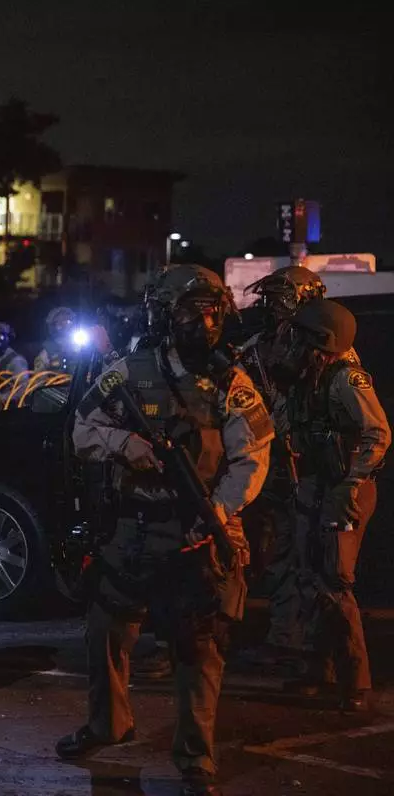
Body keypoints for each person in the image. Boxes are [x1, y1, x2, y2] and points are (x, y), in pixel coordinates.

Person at [56, 265, 273, 796]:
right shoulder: (130, 372)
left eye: (212, 311)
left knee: (199, 648)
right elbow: (83, 429)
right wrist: (126, 445)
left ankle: (196, 757)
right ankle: (108, 724)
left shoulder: (231, 381)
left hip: (197, 531)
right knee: (107, 630)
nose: (204, 322)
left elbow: (252, 458)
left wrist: (216, 511)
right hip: (133, 527)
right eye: (191, 311)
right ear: (165, 315)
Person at [272, 299, 389, 712]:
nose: (293, 343)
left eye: (302, 337)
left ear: (323, 341)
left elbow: (378, 434)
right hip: (314, 485)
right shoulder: (307, 376)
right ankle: (317, 669)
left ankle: (355, 680)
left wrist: (350, 486)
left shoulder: (345, 380)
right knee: (308, 576)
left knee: (335, 581)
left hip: (344, 489)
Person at [234, 266, 327, 666]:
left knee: (307, 556)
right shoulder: (259, 346)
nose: (272, 306)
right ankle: (284, 635)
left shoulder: (323, 344)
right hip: (269, 461)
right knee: (274, 551)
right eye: (270, 299)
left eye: (279, 298)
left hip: (308, 466)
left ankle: (307, 644)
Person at [34, 306, 77, 371]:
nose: (64, 325)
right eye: (60, 322)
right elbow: (39, 374)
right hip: (57, 377)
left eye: (67, 321)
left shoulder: (78, 344)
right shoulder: (48, 350)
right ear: (53, 325)